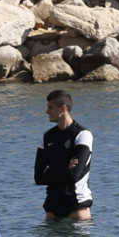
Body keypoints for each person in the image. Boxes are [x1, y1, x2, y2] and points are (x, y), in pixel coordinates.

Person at [34, 89, 93, 220]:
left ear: (63, 108)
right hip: (52, 207)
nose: (47, 111)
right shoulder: (47, 137)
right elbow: (38, 178)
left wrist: (51, 172)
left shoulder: (82, 135)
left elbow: (74, 175)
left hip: (77, 206)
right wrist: (66, 167)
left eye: (50, 107)